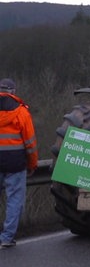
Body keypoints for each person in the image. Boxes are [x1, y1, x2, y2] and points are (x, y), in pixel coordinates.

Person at [0, 78, 38, 248]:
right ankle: (7, 238)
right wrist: (32, 164)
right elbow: (30, 143)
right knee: (14, 200)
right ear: (13, 92)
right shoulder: (21, 112)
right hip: (15, 163)